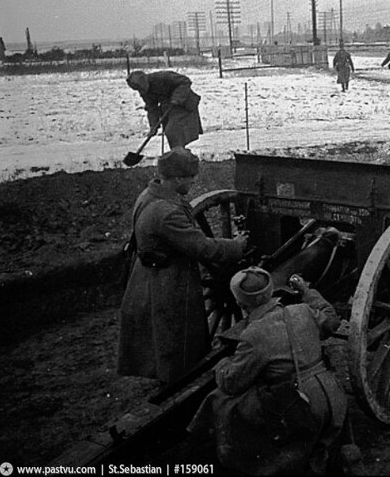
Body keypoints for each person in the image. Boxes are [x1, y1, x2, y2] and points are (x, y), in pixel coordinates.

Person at [188, 267, 347, 476]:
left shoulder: (254, 334)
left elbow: (232, 383)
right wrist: (306, 291)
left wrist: (223, 365)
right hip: (334, 397)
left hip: (302, 407)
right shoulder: (303, 310)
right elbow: (331, 320)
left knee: (222, 400)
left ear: (241, 303)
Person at [117, 148, 249, 383]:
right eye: (190, 176)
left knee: (159, 333)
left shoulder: (148, 196)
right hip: (167, 281)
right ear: (176, 178)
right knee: (172, 332)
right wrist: (237, 246)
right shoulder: (167, 213)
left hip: (146, 276)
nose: (193, 180)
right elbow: (203, 248)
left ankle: (165, 375)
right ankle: (176, 381)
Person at [126, 70, 203, 149]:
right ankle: (178, 153)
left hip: (184, 103)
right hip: (169, 107)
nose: (141, 91)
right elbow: (152, 108)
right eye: (138, 89)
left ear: (144, 81)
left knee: (172, 130)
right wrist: (153, 125)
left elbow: (185, 81)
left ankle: (179, 153)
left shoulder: (162, 77)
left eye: (141, 87)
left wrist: (177, 98)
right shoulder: (144, 91)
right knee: (171, 131)